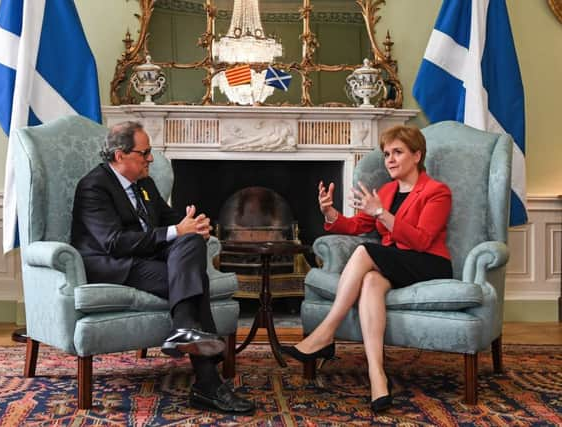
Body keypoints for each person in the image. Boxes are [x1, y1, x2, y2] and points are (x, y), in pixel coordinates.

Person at [70, 121, 254, 415]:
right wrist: (177, 231)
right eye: (144, 153)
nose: (151, 159)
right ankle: (207, 382)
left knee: (191, 244)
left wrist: (193, 225)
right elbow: (114, 242)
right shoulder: (94, 186)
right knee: (196, 280)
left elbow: (169, 220)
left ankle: (184, 332)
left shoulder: (145, 184)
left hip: (146, 258)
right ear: (120, 155)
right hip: (112, 265)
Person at [281, 125, 453, 413]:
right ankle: (378, 377)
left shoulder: (437, 191)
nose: (390, 159)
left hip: (429, 263)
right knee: (371, 281)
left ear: (417, 155)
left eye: (398, 152)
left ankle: (326, 332)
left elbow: (422, 240)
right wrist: (331, 214)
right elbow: (357, 226)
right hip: (396, 262)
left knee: (365, 251)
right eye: (387, 154)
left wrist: (382, 214)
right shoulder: (385, 191)